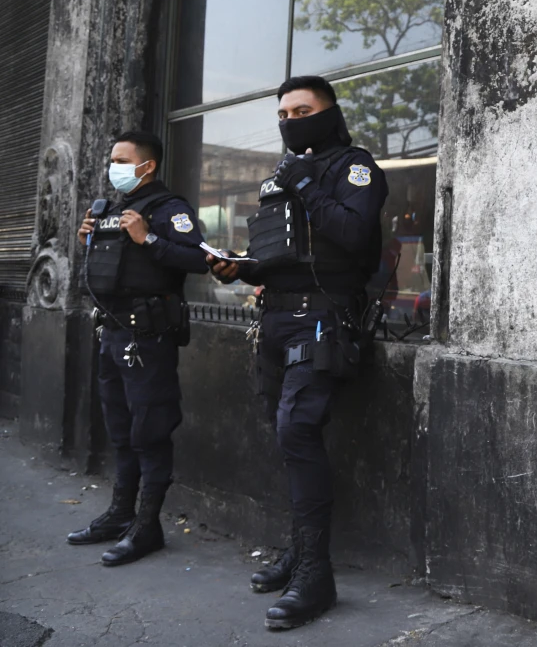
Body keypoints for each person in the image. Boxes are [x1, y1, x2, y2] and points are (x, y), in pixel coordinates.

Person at [208, 76, 388, 630]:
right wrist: (241, 267)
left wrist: (308, 183)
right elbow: (282, 253)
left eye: (302, 110)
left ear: (330, 113)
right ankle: (298, 551)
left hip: (324, 317)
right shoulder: (278, 179)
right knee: (283, 433)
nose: (290, 120)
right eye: (283, 113)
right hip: (277, 318)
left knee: (297, 429)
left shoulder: (353, 168)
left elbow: (355, 238)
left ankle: (316, 574)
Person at [71, 131, 209, 565]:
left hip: (148, 338)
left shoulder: (171, 210)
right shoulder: (111, 210)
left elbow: (197, 258)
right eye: (112, 158)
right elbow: (111, 271)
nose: (113, 166)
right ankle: (119, 514)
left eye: (121, 159)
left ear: (147, 166)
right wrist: (88, 242)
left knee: (149, 431)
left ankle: (148, 526)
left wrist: (148, 238)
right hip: (111, 333)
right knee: (120, 429)